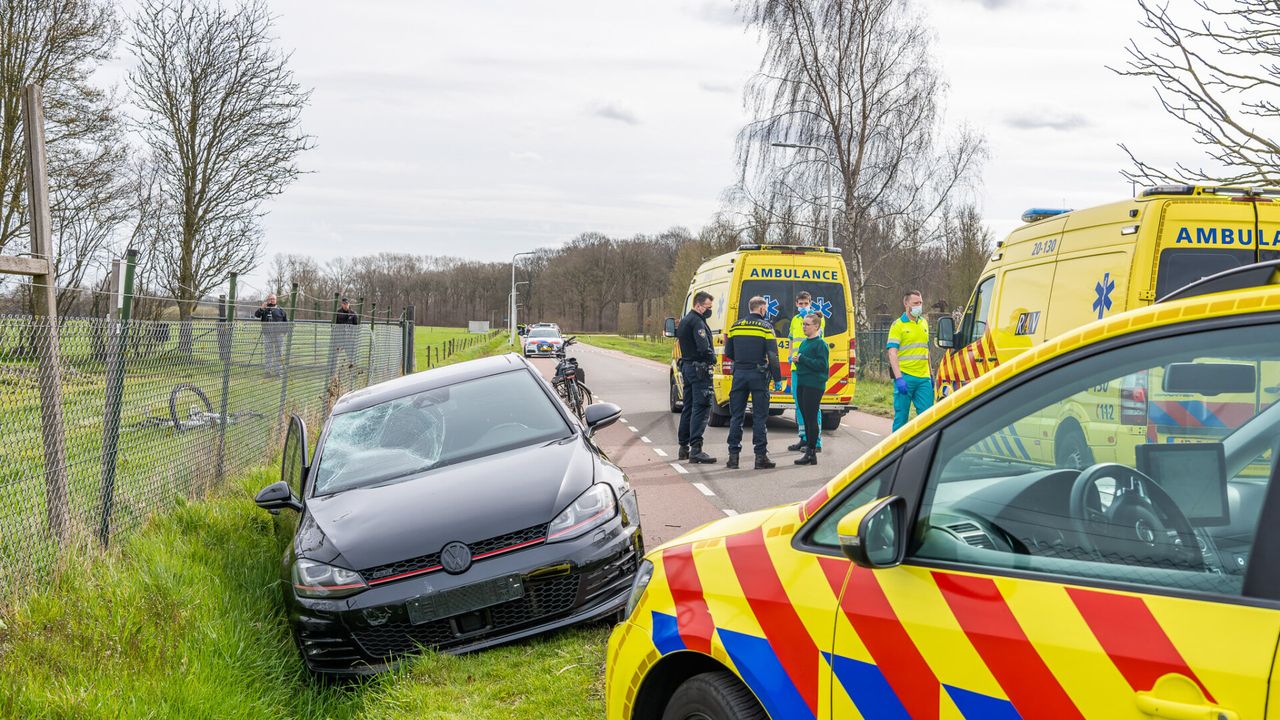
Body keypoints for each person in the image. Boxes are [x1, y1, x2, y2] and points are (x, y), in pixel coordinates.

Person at [724, 296, 781, 470]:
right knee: (759, 417)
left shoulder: (735, 326)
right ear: (762, 309)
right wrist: (777, 378)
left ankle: (733, 458)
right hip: (758, 375)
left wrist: (742, 362)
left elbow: (729, 352)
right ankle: (760, 457)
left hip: (739, 374)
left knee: (736, 417)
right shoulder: (766, 327)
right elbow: (772, 355)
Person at [676, 291, 718, 464]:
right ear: (699, 305)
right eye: (708, 307)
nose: (710, 310)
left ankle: (683, 446)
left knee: (688, 406)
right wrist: (712, 358)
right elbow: (703, 347)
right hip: (699, 369)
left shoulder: (685, 321)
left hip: (687, 367)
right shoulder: (697, 322)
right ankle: (696, 449)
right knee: (701, 407)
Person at [887, 289, 934, 431]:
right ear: (906, 304)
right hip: (905, 377)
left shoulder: (924, 323)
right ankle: (896, 450)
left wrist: (931, 374)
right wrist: (899, 378)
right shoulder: (898, 325)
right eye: (916, 303)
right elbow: (892, 353)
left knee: (928, 418)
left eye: (921, 302)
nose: (919, 306)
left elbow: (926, 351)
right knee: (901, 418)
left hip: (923, 378)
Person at [786, 291, 824, 453]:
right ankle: (803, 437)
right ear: (796, 304)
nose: (802, 306)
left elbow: (818, 336)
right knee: (799, 405)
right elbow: (791, 340)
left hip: (810, 368)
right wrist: (790, 356)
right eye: (800, 304)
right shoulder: (795, 320)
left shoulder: (816, 319)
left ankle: (816, 441)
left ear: (810, 302)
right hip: (796, 368)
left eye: (805, 303)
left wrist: (812, 315)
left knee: (813, 407)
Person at [791, 312, 829, 465]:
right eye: (803, 324)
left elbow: (822, 365)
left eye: (807, 324)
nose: (804, 327)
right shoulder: (804, 343)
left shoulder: (820, 344)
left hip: (814, 385)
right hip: (802, 382)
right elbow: (804, 362)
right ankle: (808, 448)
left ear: (816, 326)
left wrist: (802, 359)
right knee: (805, 417)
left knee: (811, 418)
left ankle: (812, 451)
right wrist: (797, 361)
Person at [255, 293, 289, 377]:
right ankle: (267, 372)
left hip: (279, 335)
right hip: (267, 335)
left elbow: (286, 322)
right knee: (268, 353)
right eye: (270, 299)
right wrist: (261, 308)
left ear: (276, 300)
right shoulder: (264, 309)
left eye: (273, 299)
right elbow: (257, 315)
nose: (271, 300)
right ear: (267, 300)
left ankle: (278, 372)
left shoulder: (281, 310)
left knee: (279, 353)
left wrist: (284, 332)